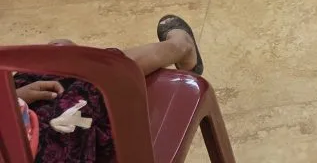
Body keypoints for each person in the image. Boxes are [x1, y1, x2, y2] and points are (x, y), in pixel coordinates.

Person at [13, 14, 201, 162]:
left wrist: (15, 97)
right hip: (35, 147)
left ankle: (177, 49)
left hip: (16, 124)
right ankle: (181, 46)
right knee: (95, 77)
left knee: (57, 56)